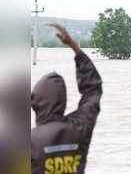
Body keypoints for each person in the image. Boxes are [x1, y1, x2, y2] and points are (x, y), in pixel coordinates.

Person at [31, 24, 103, 174]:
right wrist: (74, 46)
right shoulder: (80, 126)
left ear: (35, 103)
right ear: (62, 100)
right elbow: (93, 90)